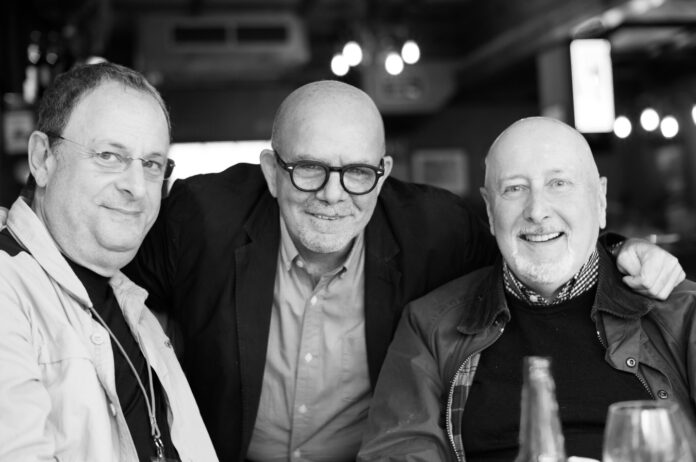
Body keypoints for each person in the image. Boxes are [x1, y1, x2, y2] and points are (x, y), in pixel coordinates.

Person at [123, 81, 684, 461]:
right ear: (272, 171)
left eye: (357, 172)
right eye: (309, 169)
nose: (333, 195)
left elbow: (538, 247)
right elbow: (102, 282)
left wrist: (619, 252)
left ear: (384, 173)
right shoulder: (203, 219)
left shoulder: (434, 230)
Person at [357, 117, 696, 462]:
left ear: (600, 199)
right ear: (490, 211)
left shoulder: (682, 312)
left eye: (559, 183)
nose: (537, 211)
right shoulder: (429, 326)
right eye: (515, 189)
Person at [0, 62, 218, 461]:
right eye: (109, 156)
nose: (136, 187)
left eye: (151, 164)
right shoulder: (7, 286)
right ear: (43, 158)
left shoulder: (129, 300)